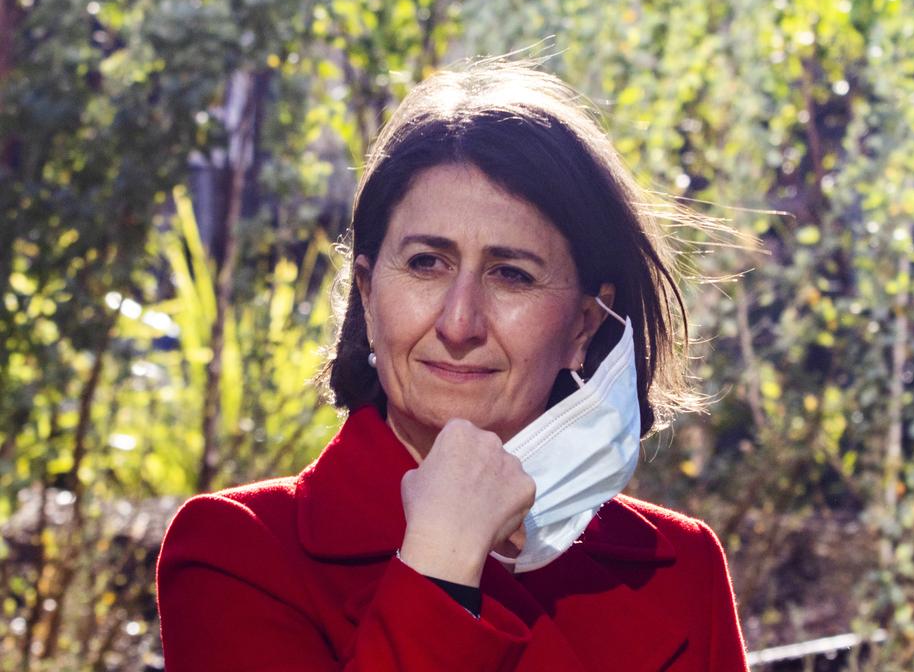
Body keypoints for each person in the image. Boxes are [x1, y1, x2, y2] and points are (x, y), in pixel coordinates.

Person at [156, 62, 749, 671]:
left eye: (512, 274)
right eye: (425, 264)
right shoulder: (238, 552)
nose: (459, 323)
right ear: (367, 293)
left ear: (583, 327)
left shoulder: (681, 567)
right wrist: (442, 560)